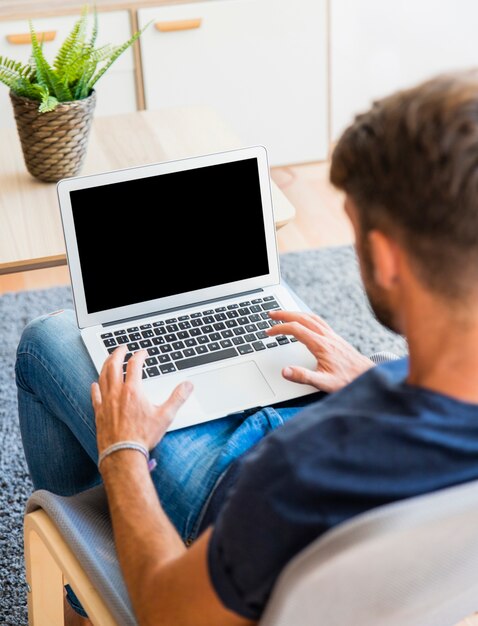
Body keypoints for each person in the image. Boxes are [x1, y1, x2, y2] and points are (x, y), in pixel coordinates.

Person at [16, 70, 478, 626]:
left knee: (48, 341)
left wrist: (123, 454)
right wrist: (373, 377)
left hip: (231, 497)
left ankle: (78, 599)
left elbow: (167, 611)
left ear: (385, 258)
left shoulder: (298, 475)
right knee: (290, 323)